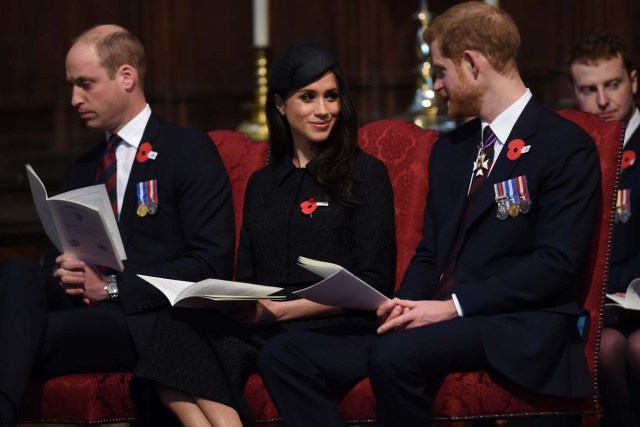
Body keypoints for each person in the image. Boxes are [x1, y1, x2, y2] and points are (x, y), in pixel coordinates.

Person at [257, 2, 600, 426]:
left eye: (441, 70)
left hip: (516, 324)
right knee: (284, 354)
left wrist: (452, 306)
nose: (437, 85)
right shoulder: (453, 150)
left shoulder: (564, 145)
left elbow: (554, 267)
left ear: (471, 63)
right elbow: (431, 252)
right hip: (442, 319)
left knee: (394, 355)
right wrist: (404, 304)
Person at [132, 42, 396, 426]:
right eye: (308, 97)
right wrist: (226, 301)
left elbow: (375, 282)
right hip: (268, 324)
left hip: (338, 327)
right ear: (279, 105)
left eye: (331, 97)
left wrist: (281, 311)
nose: (323, 110)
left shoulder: (367, 173)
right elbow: (252, 279)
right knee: (173, 327)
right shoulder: (262, 184)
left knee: (280, 350)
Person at [0, 25, 235, 426]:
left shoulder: (187, 149)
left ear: (126, 76)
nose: (75, 99)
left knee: (18, 336)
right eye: (73, 86)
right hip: (83, 309)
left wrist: (110, 288)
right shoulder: (82, 167)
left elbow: (209, 264)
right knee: (18, 273)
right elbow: (58, 257)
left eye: (85, 84)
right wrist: (63, 270)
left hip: (148, 317)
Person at [568, 31, 640, 427]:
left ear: (633, 80)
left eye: (612, 85)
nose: (602, 101)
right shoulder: (571, 151)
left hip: (637, 294)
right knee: (607, 347)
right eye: (588, 89)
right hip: (599, 305)